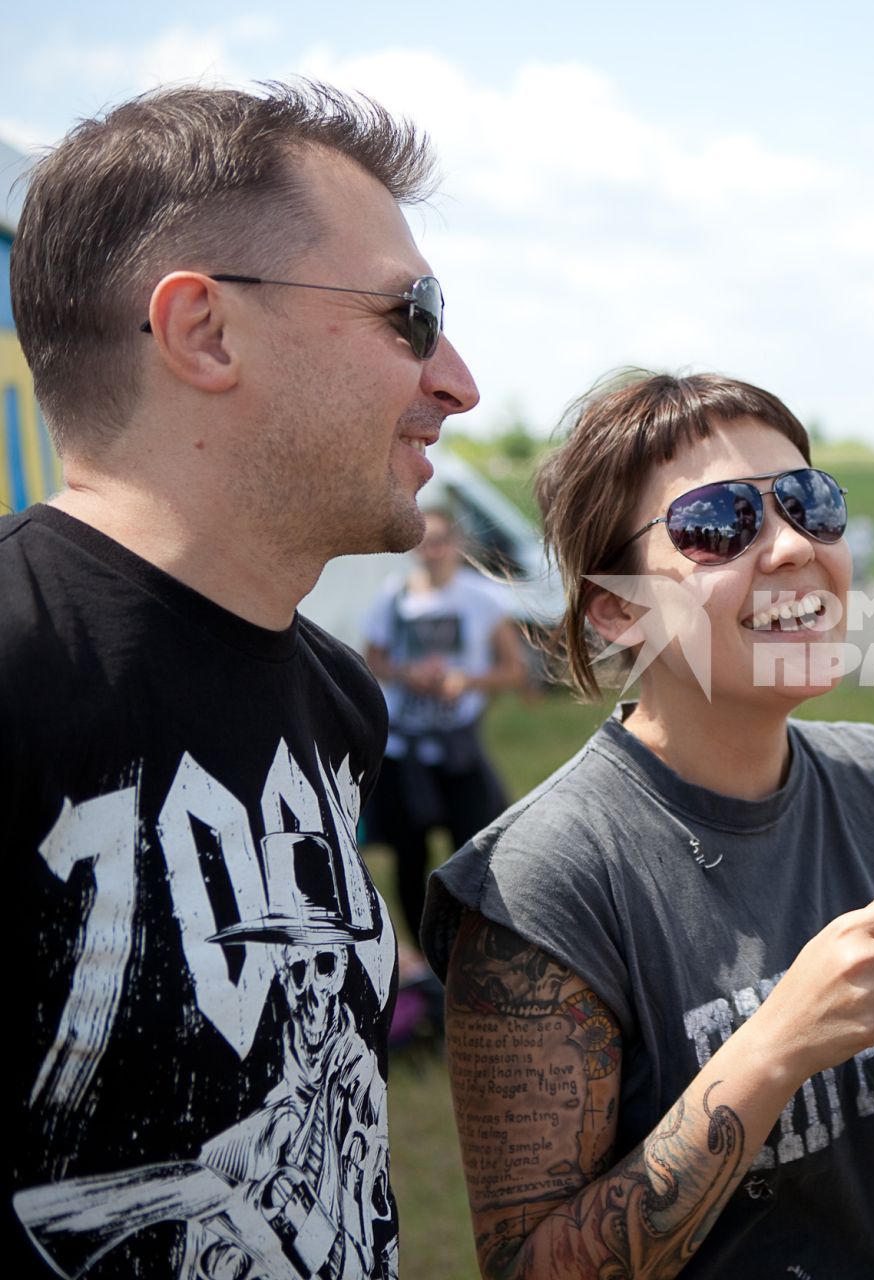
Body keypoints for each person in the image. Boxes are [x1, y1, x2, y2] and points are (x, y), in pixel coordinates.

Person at [2, 82, 479, 1278]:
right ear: (205, 329)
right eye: (411, 314)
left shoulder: (337, 702)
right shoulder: (16, 662)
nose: (458, 378)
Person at [422, 371, 874, 1279]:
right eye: (717, 524)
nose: (794, 546)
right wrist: (775, 1046)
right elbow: (530, 1268)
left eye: (810, 503)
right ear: (618, 608)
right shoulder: (540, 878)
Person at [361, 508, 523, 945]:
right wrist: (407, 674)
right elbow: (373, 660)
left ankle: (478, 947)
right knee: (407, 857)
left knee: (476, 852)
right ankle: (424, 952)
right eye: (424, 542)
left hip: (459, 749)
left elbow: (514, 670)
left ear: (456, 544)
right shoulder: (392, 596)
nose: (432, 551)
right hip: (405, 751)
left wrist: (466, 681)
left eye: (441, 541)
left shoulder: (482, 598)